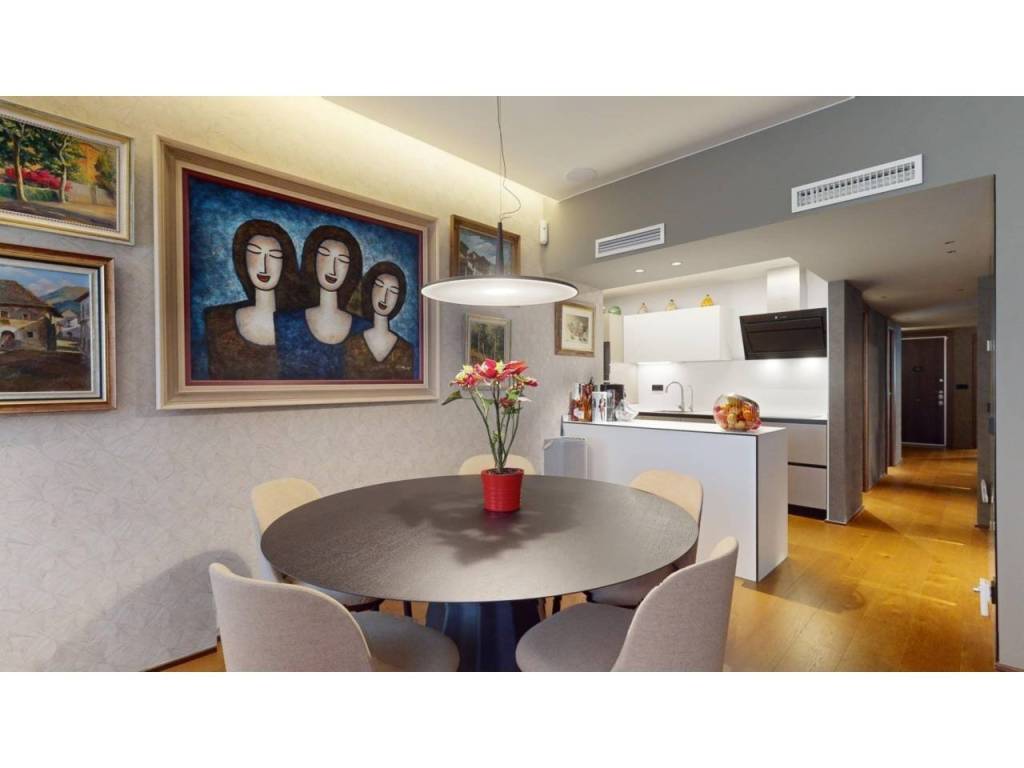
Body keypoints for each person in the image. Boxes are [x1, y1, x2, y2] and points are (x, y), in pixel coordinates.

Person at [203, 219, 301, 380]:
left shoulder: (302, 323)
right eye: (255, 253)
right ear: (243, 259)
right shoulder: (218, 320)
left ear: (285, 263)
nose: (264, 265)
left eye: (274, 256)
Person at [274, 225, 369, 379]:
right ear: (313, 260)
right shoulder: (285, 322)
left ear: (351, 269)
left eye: (342, 260)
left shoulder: (364, 329)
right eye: (325, 256)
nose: (333, 268)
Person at [344, 261, 414, 379]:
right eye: (380, 286)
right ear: (370, 290)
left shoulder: (406, 349)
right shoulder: (352, 344)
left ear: (399, 298)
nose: (385, 296)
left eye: (393, 291)